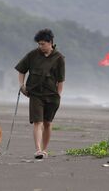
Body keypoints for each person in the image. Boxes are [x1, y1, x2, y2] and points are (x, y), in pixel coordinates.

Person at [15, 28, 65, 159]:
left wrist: (58, 96)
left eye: (43, 44)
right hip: (36, 94)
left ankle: (44, 149)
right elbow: (21, 70)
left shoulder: (59, 58)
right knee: (38, 122)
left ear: (50, 43)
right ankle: (38, 150)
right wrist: (22, 85)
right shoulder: (33, 55)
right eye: (39, 44)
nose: (40, 46)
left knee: (47, 123)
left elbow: (60, 81)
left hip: (52, 95)